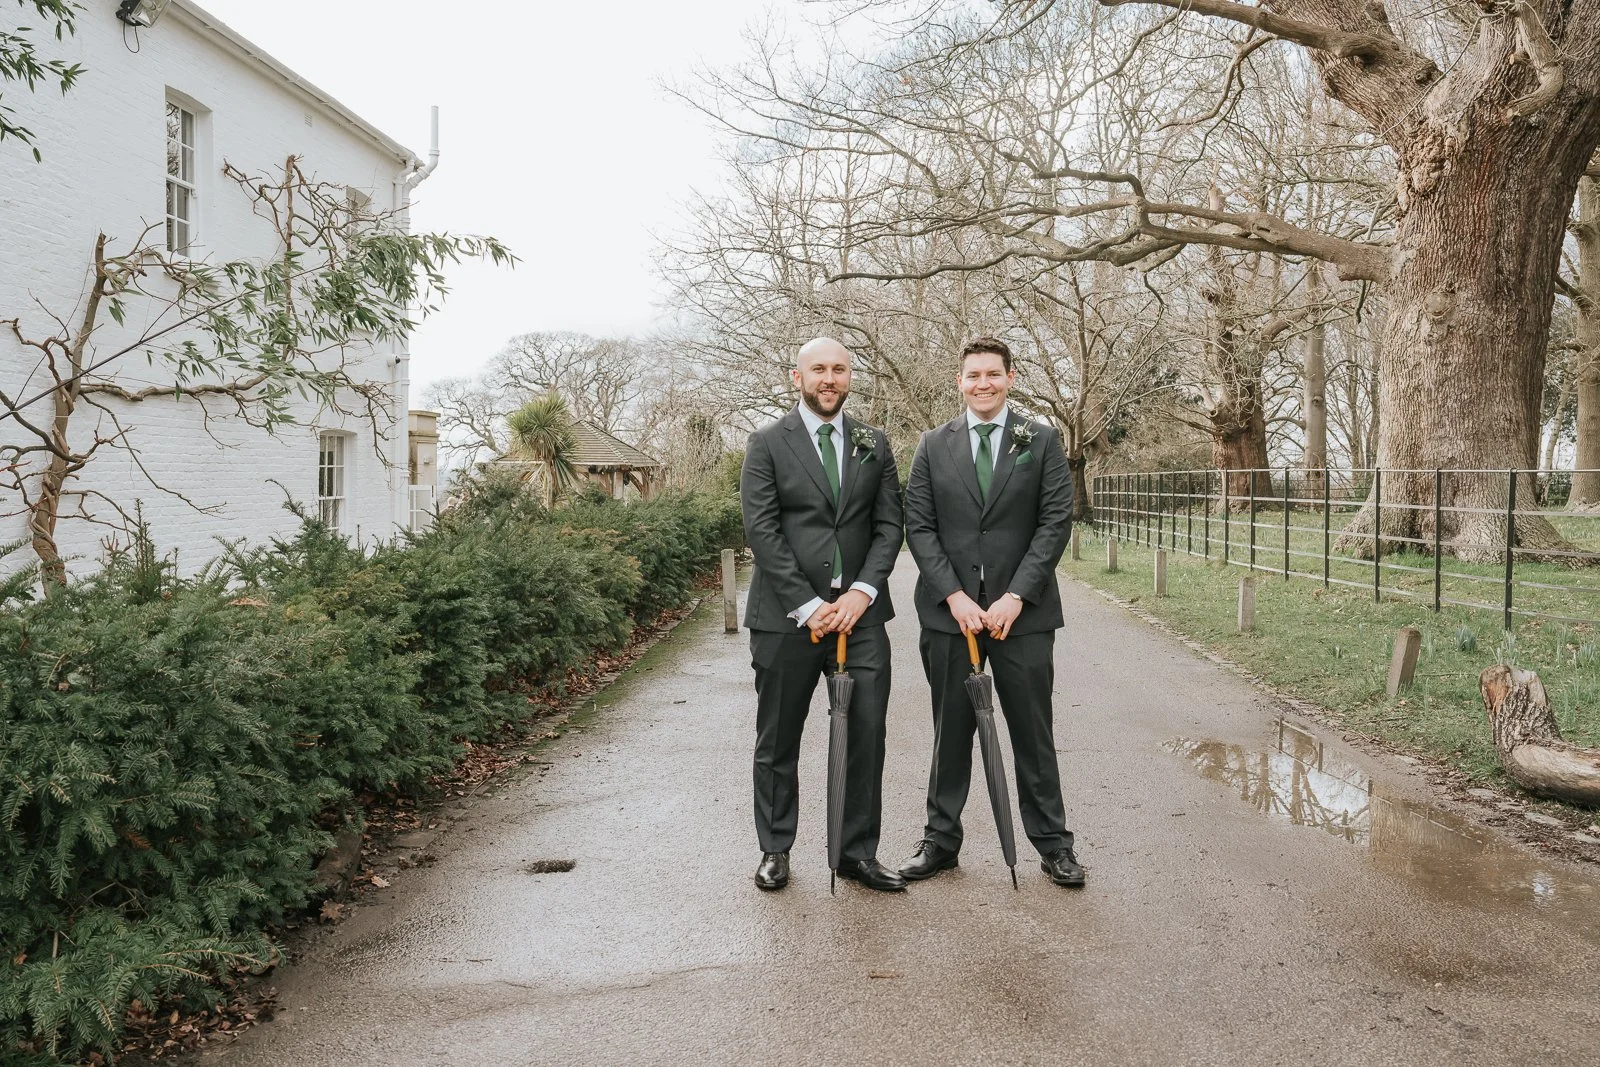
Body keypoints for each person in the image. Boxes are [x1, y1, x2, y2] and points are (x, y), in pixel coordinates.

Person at [897, 337, 1085, 887]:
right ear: (959, 381)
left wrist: (1015, 596)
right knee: (949, 732)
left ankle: (1053, 844)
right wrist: (954, 596)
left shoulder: (1042, 440)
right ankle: (940, 841)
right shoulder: (933, 445)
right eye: (973, 375)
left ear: (1010, 377)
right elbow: (920, 526)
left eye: (993, 374)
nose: (983, 383)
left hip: (1021, 614)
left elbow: (1055, 522)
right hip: (949, 615)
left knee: (1033, 731)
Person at [738, 337, 907, 892]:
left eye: (839, 369)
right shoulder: (766, 444)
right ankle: (775, 848)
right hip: (785, 618)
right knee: (778, 738)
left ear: (850, 375)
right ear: (797, 377)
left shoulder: (873, 444)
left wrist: (861, 592)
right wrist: (808, 606)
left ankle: (858, 852)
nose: (829, 378)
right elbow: (762, 531)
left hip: (861, 619)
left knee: (866, 734)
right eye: (818, 369)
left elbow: (889, 527)